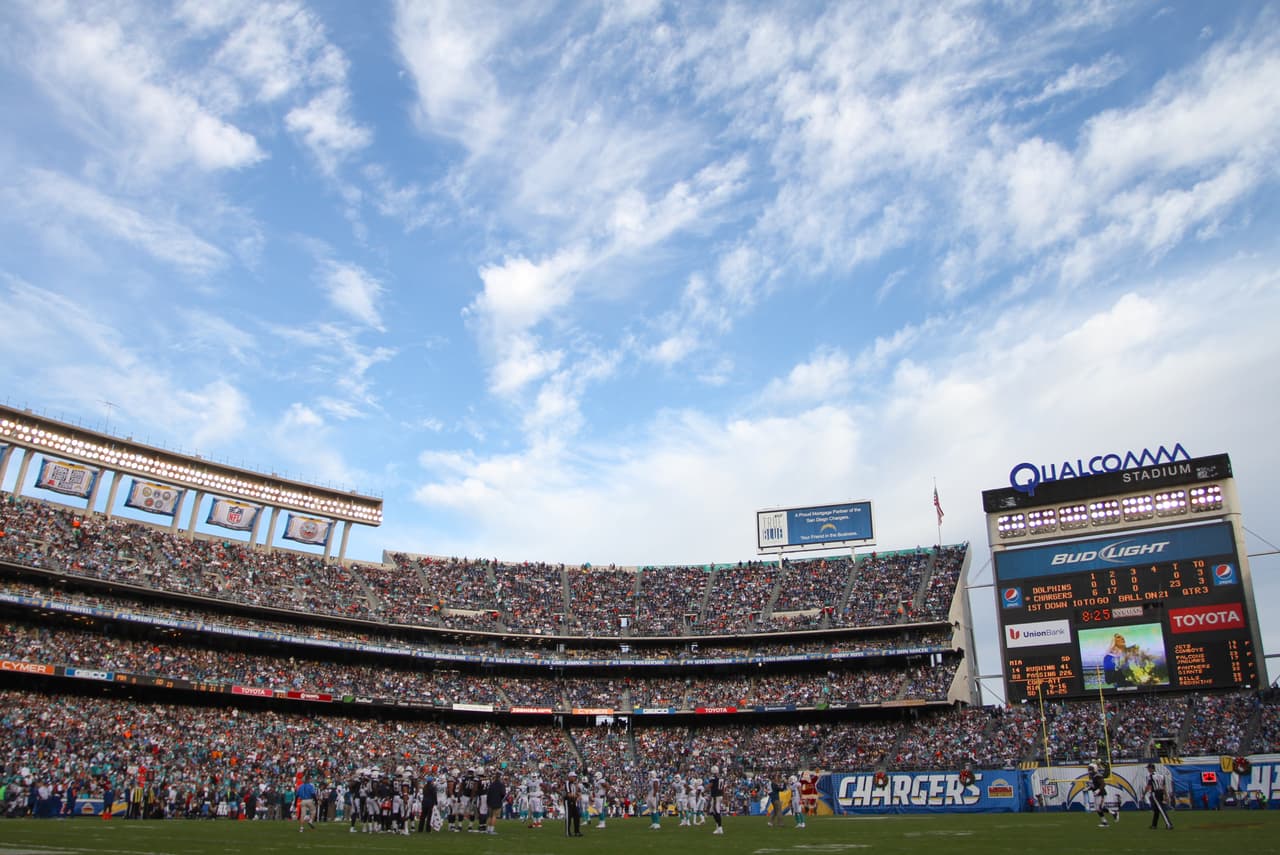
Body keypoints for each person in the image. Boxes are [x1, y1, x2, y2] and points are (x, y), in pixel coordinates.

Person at [1144, 763, 1173, 830]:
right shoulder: (1161, 776)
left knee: (1161, 809)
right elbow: (1164, 787)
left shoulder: (1151, 776)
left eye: (1148, 768)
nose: (1148, 769)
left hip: (1155, 793)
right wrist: (1166, 795)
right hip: (1161, 793)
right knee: (1156, 810)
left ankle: (1169, 824)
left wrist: (1143, 794)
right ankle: (1154, 825)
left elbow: (1148, 786)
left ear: (1151, 768)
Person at [486, 770, 505, 835]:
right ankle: (491, 830)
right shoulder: (501, 785)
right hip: (497, 801)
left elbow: (488, 793)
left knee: (490, 816)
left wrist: (488, 801)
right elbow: (503, 794)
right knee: (494, 816)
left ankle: (488, 829)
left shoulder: (491, 784)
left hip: (490, 801)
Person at [707, 765, 725, 835]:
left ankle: (720, 828)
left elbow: (710, 785)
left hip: (716, 796)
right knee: (712, 811)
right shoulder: (721, 778)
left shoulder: (713, 777)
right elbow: (723, 788)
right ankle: (718, 827)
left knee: (717, 811)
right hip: (719, 795)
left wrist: (704, 789)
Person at [563, 771, 582, 837]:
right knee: (568, 817)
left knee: (577, 816)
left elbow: (577, 792)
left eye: (575, 777)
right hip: (567, 801)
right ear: (570, 777)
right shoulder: (567, 783)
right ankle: (567, 832)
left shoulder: (574, 784)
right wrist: (577, 796)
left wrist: (579, 795)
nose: (575, 778)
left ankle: (577, 831)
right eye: (573, 777)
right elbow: (569, 794)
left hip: (573, 801)